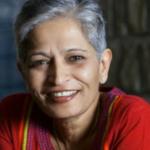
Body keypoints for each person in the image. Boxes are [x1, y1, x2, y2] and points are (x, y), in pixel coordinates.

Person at [0, 0, 150, 149]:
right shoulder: (10, 115)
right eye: (40, 62)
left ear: (103, 65)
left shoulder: (131, 118)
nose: (58, 79)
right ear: (23, 72)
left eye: (76, 58)